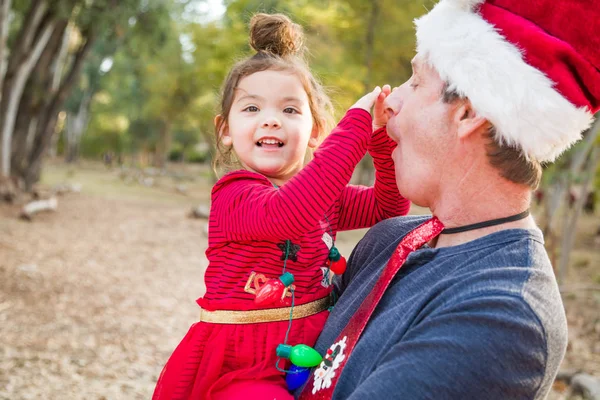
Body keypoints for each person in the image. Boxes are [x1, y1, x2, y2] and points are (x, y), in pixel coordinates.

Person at [296, 0, 600, 399]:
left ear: (468, 113)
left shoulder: (504, 316)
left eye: (416, 81)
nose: (389, 102)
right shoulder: (386, 240)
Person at [152, 13, 410, 400]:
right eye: (252, 109)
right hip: (243, 363)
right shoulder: (234, 193)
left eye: (290, 110)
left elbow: (388, 206)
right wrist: (355, 125)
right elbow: (288, 214)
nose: (271, 121)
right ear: (225, 130)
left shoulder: (325, 198)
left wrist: (379, 141)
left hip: (314, 350)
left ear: (316, 132)